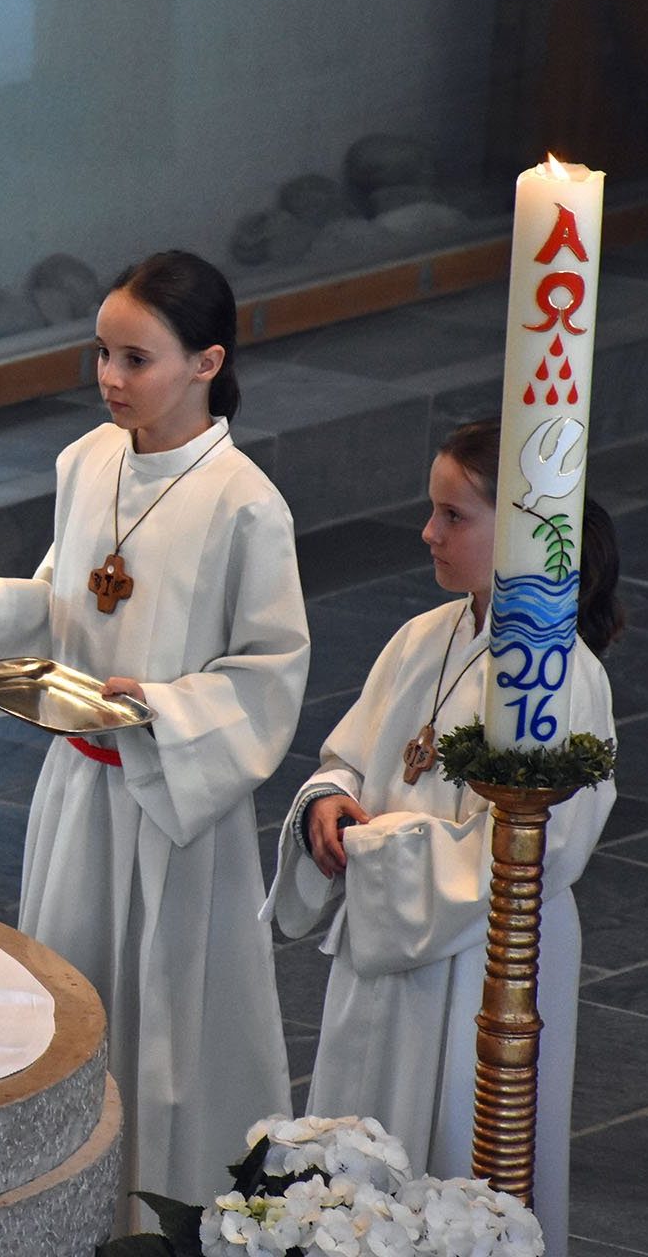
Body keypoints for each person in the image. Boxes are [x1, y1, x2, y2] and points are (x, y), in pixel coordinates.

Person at [0, 250, 307, 1213]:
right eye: (101, 354)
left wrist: (164, 704)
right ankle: (69, 1185)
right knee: (73, 984)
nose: (110, 378)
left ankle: (167, 1199)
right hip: (81, 782)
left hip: (173, 798)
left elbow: (271, 668)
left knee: (168, 1011)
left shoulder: (244, 504)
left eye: (136, 359)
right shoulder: (87, 462)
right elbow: (73, 599)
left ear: (205, 363)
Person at [265, 418, 619, 1255]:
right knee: (364, 1147)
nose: (427, 531)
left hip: (483, 955)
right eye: (434, 510)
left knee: (463, 1154)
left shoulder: (560, 673)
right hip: (390, 945)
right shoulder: (425, 637)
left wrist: (379, 846)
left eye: (453, 515)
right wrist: (329, 805)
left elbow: (547, 846)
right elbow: (348, 754)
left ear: (525, 531)